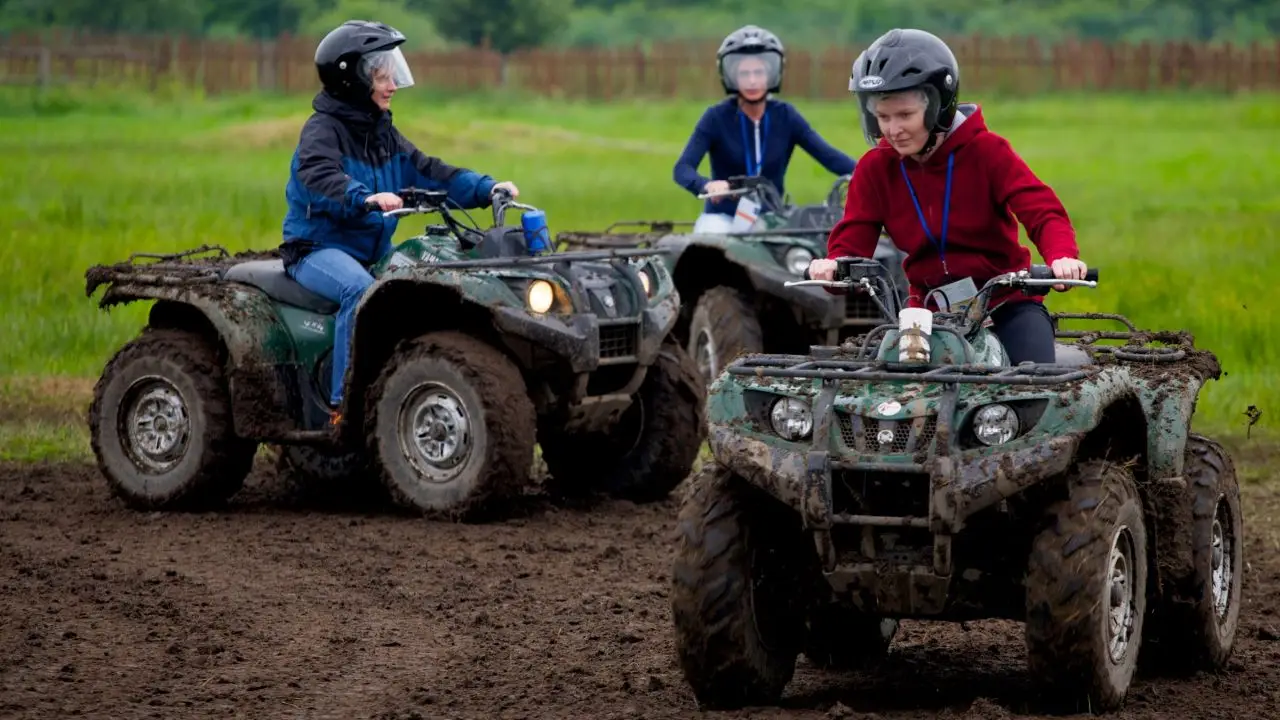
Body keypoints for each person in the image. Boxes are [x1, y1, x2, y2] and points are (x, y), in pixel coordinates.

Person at [280, 20, 519, 424]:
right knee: (359, 291)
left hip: (371, 252)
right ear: (353, 79)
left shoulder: (383, 134)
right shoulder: (322, 132)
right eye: (382, 75)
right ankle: (344, 407)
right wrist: (365, 197)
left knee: (425, 281)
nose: (392, 84)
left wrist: (487, 188)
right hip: (317, 250)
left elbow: (431, 171)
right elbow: (320, 177)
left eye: (392, 73)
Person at [809, 28, 1088, 365]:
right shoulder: (875, 168)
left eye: (905, 115)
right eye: (882, 117)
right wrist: (835, 265)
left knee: (1034, 384)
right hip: (926, 312)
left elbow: (1041, 210)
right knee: (887, 386)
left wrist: (1062, 256)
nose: (893, 129)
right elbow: (854, 237)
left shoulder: (988, 152)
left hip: (1005, 301)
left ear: (938, 105)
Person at [672, 25, 856, 233]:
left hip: (771, 219)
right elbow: (682, 169)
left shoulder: (786, 115)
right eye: (744, 73)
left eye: (758, 72)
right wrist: (707, 185)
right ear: (731, 76)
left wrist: (869, 173)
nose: (752, 81)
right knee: (707, 246)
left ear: (771, 74)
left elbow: (828, 156)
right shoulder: (716, 117)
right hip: (722, 218)